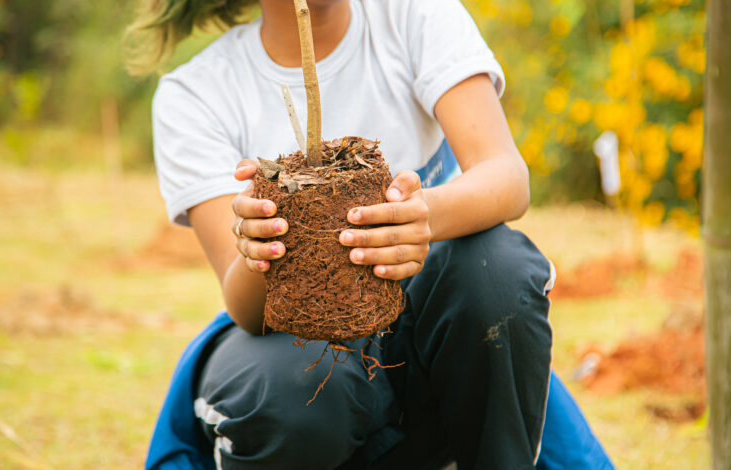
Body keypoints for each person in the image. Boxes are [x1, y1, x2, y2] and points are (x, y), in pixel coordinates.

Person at [128, 0, 615, 469]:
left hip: (424, 344)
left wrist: (424, 216)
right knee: (283, 386)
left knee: (494, 266)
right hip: (301, 362)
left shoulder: (414, 15)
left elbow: (506, 176)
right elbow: (246, 310)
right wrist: (265, 241)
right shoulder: (195, 93)